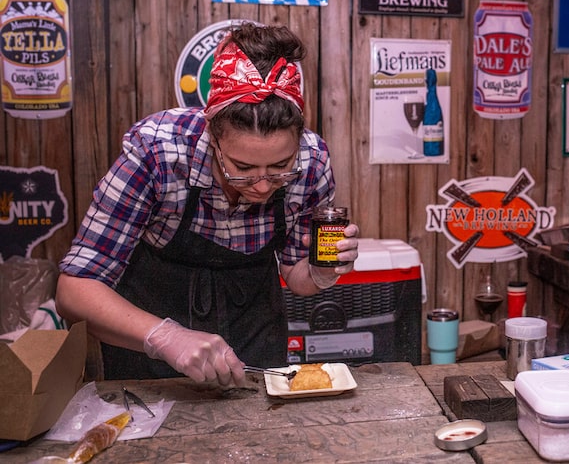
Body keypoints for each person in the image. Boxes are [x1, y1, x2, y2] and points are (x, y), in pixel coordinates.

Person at [55, 22, 359, 387]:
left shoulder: (311, 161)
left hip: (255, 333)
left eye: (280, 166)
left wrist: (321, 272)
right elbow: (74, 290)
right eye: (243, 168)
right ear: (212, 134)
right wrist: (166, 337)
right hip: (149, 346)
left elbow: (296, 273)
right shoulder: (157, 153)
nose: (262, 185)